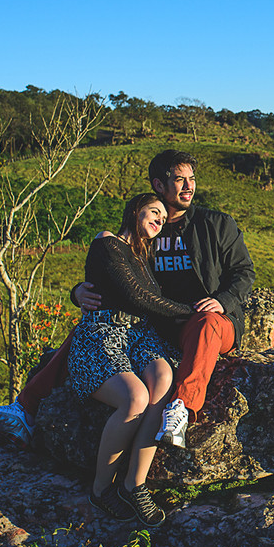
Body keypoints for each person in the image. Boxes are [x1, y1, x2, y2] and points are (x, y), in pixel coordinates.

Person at [0, 148, 255, 460]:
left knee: (206, 323)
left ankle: (181, 410)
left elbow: (244, 272)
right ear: (158, 185)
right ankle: (23, 410)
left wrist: (221, 301)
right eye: (180, 180)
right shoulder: (149, 227)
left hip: (209, 322)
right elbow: (114, 271)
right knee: (93, 324)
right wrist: (78, 292)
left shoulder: (216, 224)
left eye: (192, 179)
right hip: (159, 325)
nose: (189, 186)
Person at [72, 192, 188, 526]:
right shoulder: (108, 242)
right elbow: (136, 296)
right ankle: (100, 489)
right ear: (135, 211)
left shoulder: (144, 256)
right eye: (153, 212)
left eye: (163, 218)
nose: (159, 220)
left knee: (163, 379)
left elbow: (150, 299)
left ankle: (135, 484)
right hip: (102, 333)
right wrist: (190, 312)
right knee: (135, 397)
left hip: (138, 335)